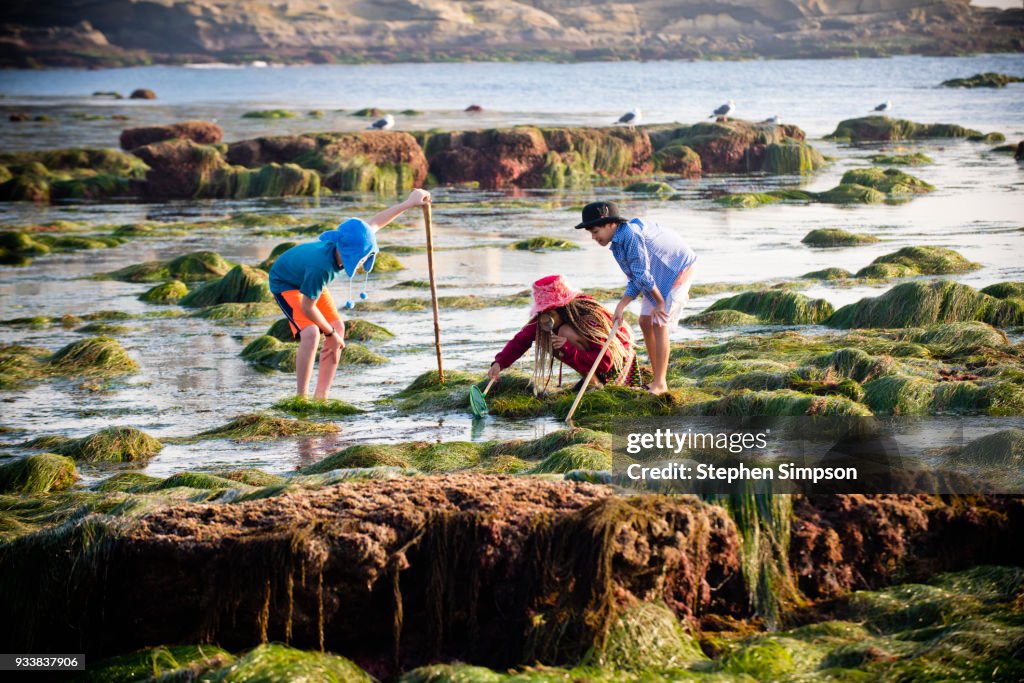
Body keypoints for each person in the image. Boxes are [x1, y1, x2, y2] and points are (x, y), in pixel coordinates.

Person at [269, 188, 431, 399]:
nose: (364, 262)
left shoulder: (351, 240)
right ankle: (302, 396)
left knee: (339, 327)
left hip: (306, 278)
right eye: (362, 258)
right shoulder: (321, 269)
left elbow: (376, 223)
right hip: (286, 282)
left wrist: (409, 203)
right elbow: (307, 307)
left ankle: (322, 395)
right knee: (311, 334)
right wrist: (330, 335)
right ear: (349, 254)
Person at [575, 201, 697, 395]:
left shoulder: (630, 235)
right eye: (590, 233)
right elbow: (636, 278)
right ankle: (657, 377)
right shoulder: (616, 245)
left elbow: (642, 276)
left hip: (677, 269)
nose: (593, 237)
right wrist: (621, 307)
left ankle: (660, 383)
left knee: (659, 322)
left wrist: (659, 302)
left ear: (610, 224)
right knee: (644, 321)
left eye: (595, 231)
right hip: (655, 275)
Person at [486, 274, 643, 394]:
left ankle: (593, 382)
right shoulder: (545, 318)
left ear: (562, 307)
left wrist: (568, 348)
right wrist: (500, 362)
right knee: (545, 336)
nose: (543, 317)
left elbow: (605, 362)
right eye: (541, 311)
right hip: (593, 362)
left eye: (548, 310)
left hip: (618, 364)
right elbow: (522, 339)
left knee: (564, 332)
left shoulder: (588, 317)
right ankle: (592, 381)